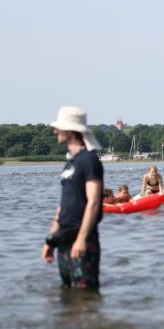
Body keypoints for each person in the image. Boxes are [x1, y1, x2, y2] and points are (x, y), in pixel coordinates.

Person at [42, 107, 104, 290]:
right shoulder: (69, 163)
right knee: (67, 295)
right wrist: (51, 240)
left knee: (85, 298)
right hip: (63, 240)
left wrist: (82, 239)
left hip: (82, 239)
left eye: (58, 128)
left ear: (70, 130)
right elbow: (62, 207)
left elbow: (93, 202)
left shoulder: (89, 160)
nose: (55, 132)